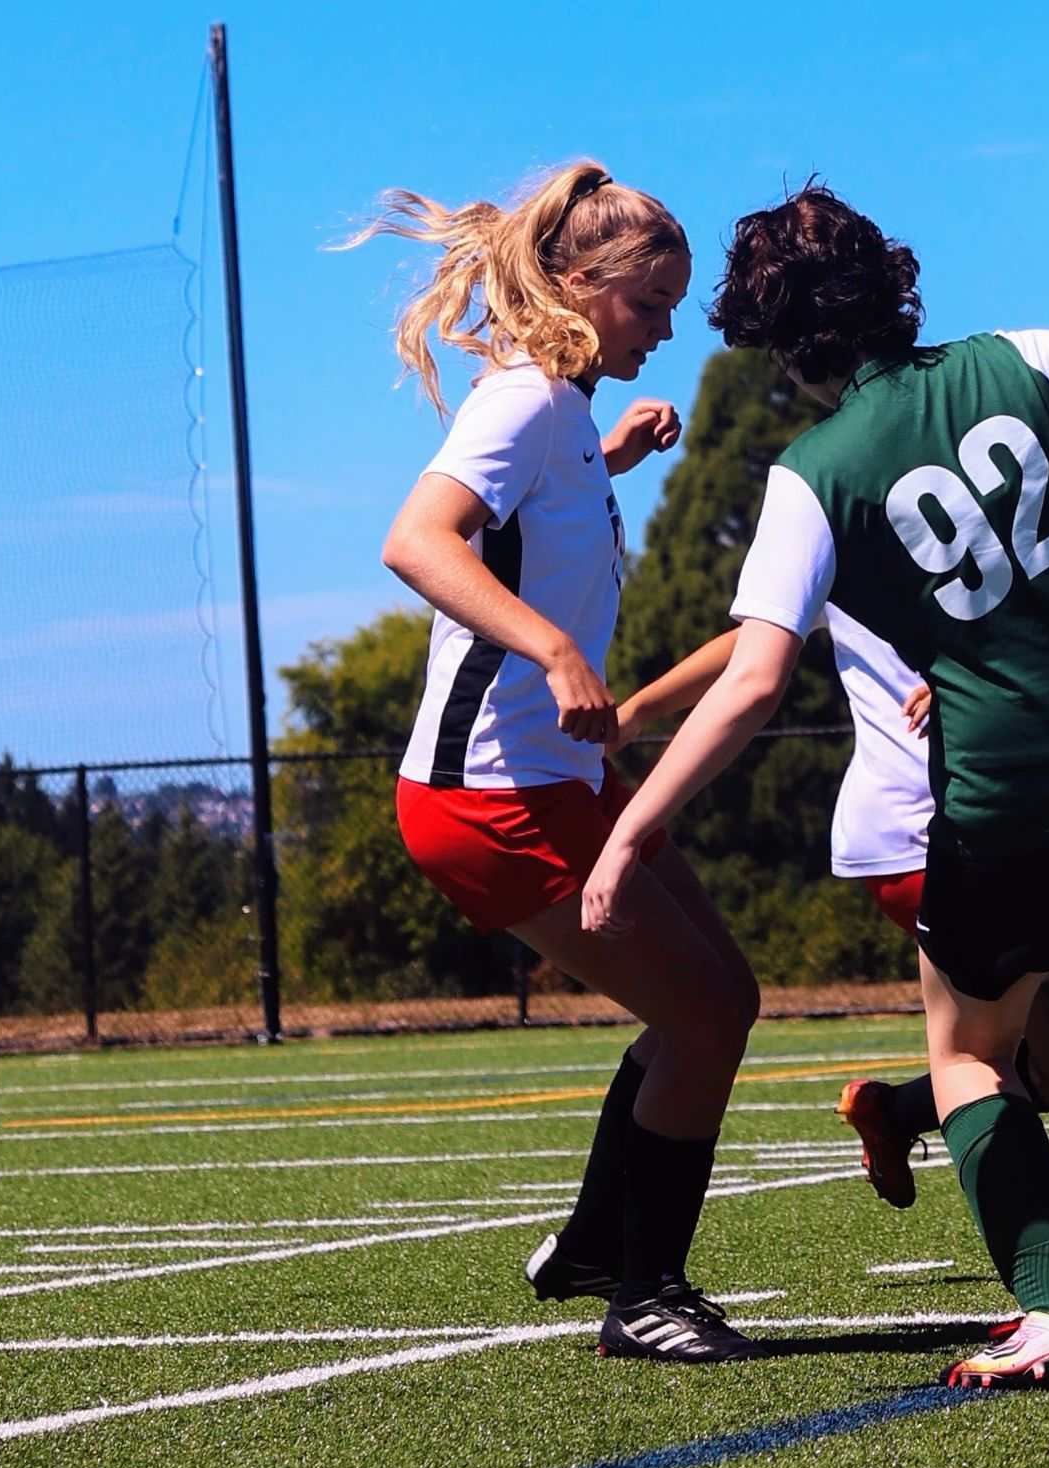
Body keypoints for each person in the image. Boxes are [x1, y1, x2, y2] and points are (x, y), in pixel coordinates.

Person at [582, 185, 1049, 1386]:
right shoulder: (1018, 358)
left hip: (1016, 794)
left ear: (777, 342)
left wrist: (634, 829)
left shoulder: (811, 474)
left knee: (970, 1055)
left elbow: (755, 679)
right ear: (894, 279)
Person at [353, 160, 763, 1363]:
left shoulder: (565, 413)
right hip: (486, 798)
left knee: (722, 1004)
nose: (671, 329)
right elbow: (416, 543)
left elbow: (538, 523)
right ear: (578, 285)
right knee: (699, 1020)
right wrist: (551, 651)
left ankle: (599, 1239)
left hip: (554, 780)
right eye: (652, 305)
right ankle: (644, 1295)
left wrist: (613, 461)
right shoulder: (523, 402)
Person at [612, 615, 1049, 1291]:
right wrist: (638, 713)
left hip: (995, 808)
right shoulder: (833, 508)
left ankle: (895, 1115)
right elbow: (760, 643)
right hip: (929, 825)